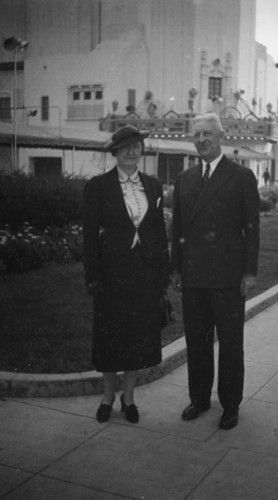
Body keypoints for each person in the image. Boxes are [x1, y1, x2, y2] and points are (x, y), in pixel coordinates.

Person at [171, 112, 260, 430]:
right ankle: (199, 399)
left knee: (231, 343)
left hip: (227, 277)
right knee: (196, 340)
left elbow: (252, 228)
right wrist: (176, 268)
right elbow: (177, 228)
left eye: (207, 133)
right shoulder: (185, 179)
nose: (201, 140)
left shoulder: (241, 176)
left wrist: (249, 272)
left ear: (221, 137)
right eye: (197, 135)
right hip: (194, 276)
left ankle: (230, 404)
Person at [83, 125, 169, 424]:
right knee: (109, 336)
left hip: (144, 275)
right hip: (111, 275)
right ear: (116, 152)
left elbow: (158, 232)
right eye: (126, 146)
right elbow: (89, 236)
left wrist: (163, 271)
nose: (133, 151)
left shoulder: (154, 186)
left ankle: (128, 397)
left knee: (137, 336)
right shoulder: (98, 186)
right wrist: (93, 276)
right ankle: (107, 396)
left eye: (137, 146)